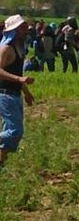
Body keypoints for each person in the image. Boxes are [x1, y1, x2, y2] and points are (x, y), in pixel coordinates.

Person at [0, 15, 36, 166]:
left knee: (10, 133)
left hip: (15, 95)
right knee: (15, 132)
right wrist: (18, 79)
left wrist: (26, 92)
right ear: (13, 30)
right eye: (22, 28)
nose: (25, 31)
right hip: (5, 94)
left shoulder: (19, 49)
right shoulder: (6, 49)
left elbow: (18, 74)